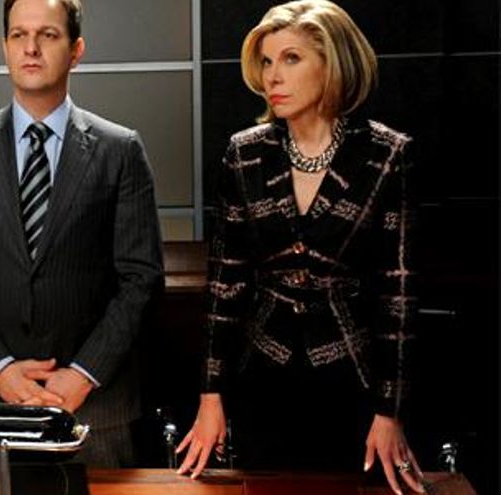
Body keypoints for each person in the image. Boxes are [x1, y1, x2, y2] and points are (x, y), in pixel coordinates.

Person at [175, 1, 424, 494]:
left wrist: (389, 412)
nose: (273, 76)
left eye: (291, 59)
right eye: (267, 61)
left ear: (332, 65)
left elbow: (397, 295)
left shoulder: (387, 154)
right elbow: (225, 286)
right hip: (261, 375)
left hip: (353, 381)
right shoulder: (245, 152)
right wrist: (210, 397)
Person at [0, 0, 163, 467]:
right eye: (19, 35)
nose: (31, 48)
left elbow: (142, 279)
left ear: (76, 50)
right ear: (5, 46)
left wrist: (83, 374)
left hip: (95, 405)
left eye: (48, 35)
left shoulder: (120, 150)